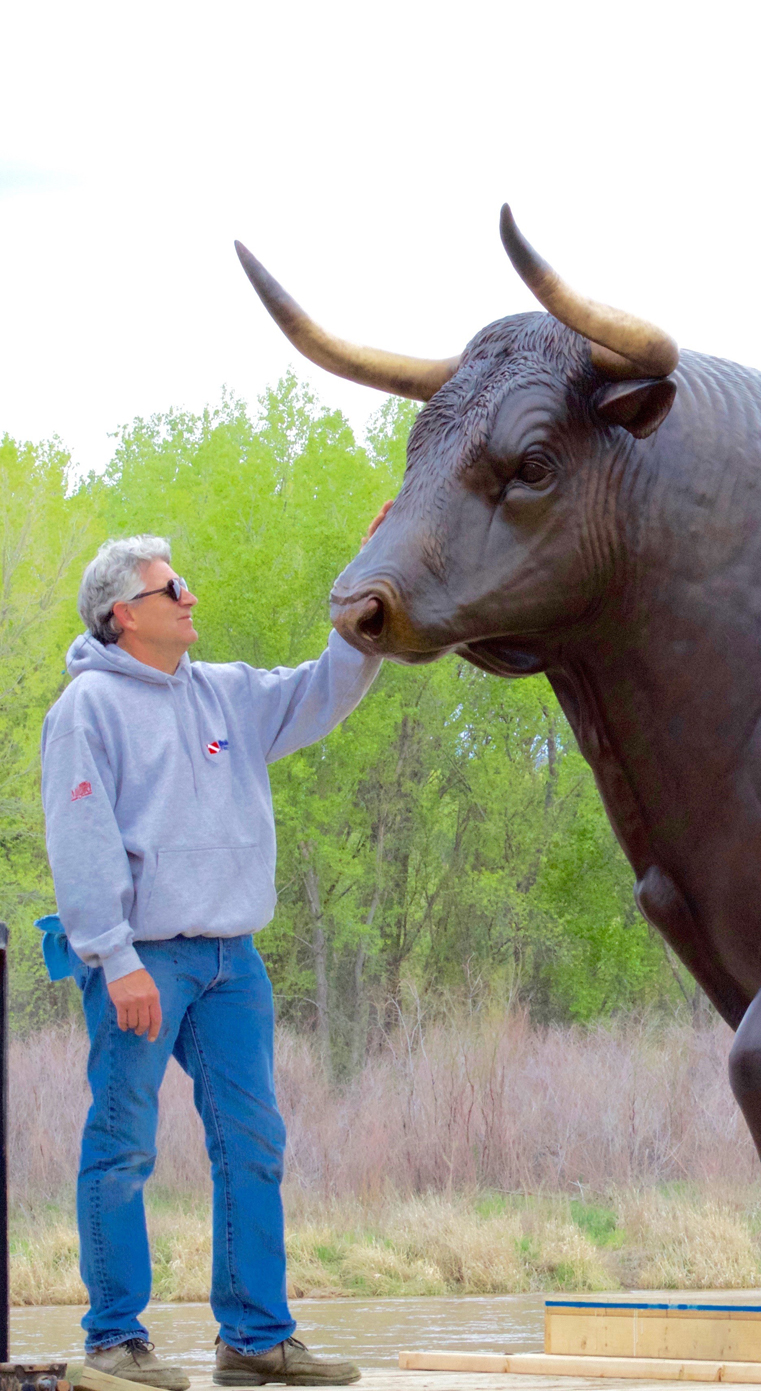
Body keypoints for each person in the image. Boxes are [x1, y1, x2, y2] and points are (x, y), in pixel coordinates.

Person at [41, 509, 391, 1389]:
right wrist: (113, 955)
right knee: (122, 1144)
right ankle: (114, 1344)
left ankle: (256, 1338)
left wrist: (369, 571)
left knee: (254, 1139)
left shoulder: (225, 691)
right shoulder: (87, 708)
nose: (190, 595)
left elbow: (324, 687)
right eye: (170, 587)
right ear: (121, 612)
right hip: (143, 960)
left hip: (235, 960)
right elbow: (78, 836)